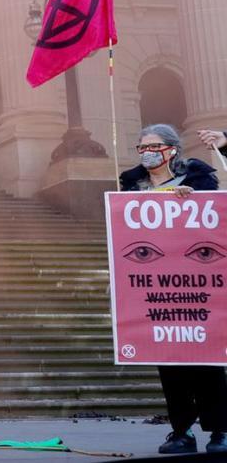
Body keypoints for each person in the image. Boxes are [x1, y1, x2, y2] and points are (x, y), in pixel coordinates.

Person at [119, 124, 227, 455]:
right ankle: (180, 431)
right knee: (168, 361)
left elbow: (216, 212)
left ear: (172, 149)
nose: (147, 152)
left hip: (196, 285)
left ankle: (219, 430)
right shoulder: (131, 183)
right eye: (142, 147)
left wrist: (190, 199)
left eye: (154, 146)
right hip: (156, 285)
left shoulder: (197, 177)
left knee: (206, 361)